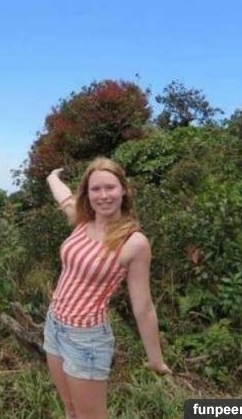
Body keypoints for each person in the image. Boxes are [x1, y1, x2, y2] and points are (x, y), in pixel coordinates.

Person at [43, 157, 171, 419]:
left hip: (86, 338)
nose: (103, 195)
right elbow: (64, 197)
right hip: (54, 325)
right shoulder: (83, 221)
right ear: (87, 194)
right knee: (70, 410)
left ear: (124, 190)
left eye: (110, 187)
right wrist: (52, 177)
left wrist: (156, 359)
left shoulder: (133, 242)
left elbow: (143, 307)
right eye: (96, 189)